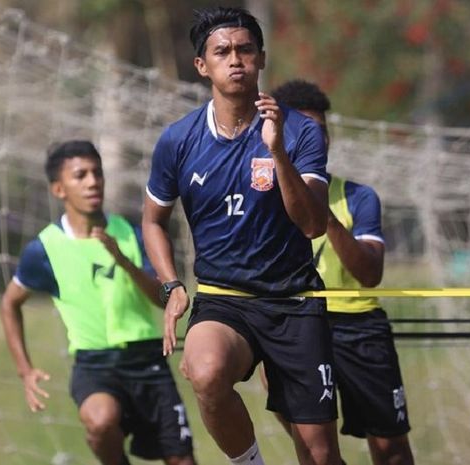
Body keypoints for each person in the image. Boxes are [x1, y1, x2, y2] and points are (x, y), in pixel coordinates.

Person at [142, 7, 341, 465]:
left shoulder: (300, 130)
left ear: (262, 58)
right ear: (202, 65)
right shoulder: (179, 140)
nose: (235, 60)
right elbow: (153, 221)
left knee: (319, 455)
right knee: (205, 371)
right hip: (223, 298)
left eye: (245, 50)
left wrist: (277, 153)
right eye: (222, 51)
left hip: (294, 302)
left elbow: (311, 225)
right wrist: (172, 285)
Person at [0, 140, 196, 465]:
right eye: (81, 175)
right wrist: (25, 370)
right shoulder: (44, 249)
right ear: (59, 189)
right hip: (94, 366)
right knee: (101, 420)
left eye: (97, 172)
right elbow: (10, 304)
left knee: (182, 460)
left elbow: (164, 299)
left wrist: (122, 259)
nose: (93, 182)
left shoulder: (134, 233)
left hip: (147, 362)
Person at [266, 80, 415, 465]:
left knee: (392, 451)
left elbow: (370, 274)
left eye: (323, 130)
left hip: (359, 329)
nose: (319, 139)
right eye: (306, 128)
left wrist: (321, 212)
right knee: (318, 453)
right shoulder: (263, 195)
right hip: (298, 328)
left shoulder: (358, 197)